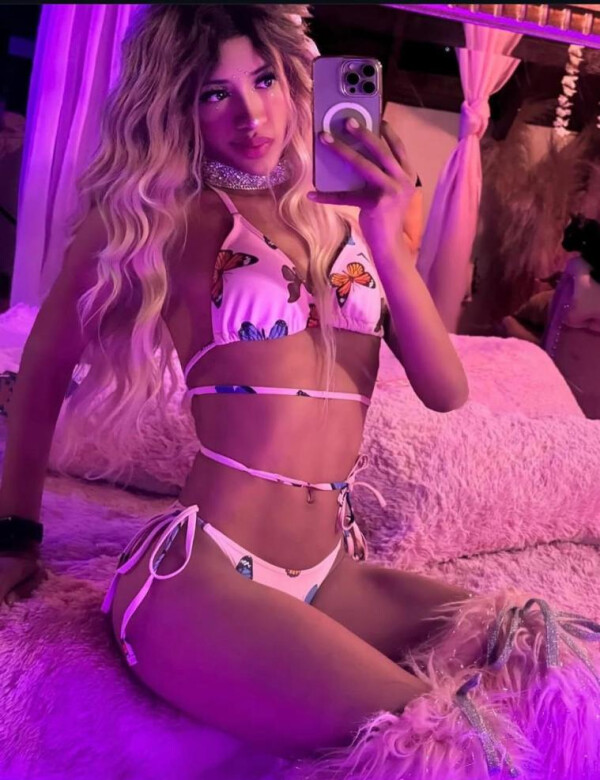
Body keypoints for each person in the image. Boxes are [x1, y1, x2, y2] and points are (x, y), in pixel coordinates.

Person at [0, 6, 598, 779]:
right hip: (201, 574)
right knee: (441, 748)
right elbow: (44, 368)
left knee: (546, 654)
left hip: (330, 574)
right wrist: (16, 535)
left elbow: (445, 390)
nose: (250, 114)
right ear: (178, 107)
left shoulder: (346, 221)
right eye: (214, 93)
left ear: (294, 79)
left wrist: (387, 237)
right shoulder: (163, 217)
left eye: (263, 80)